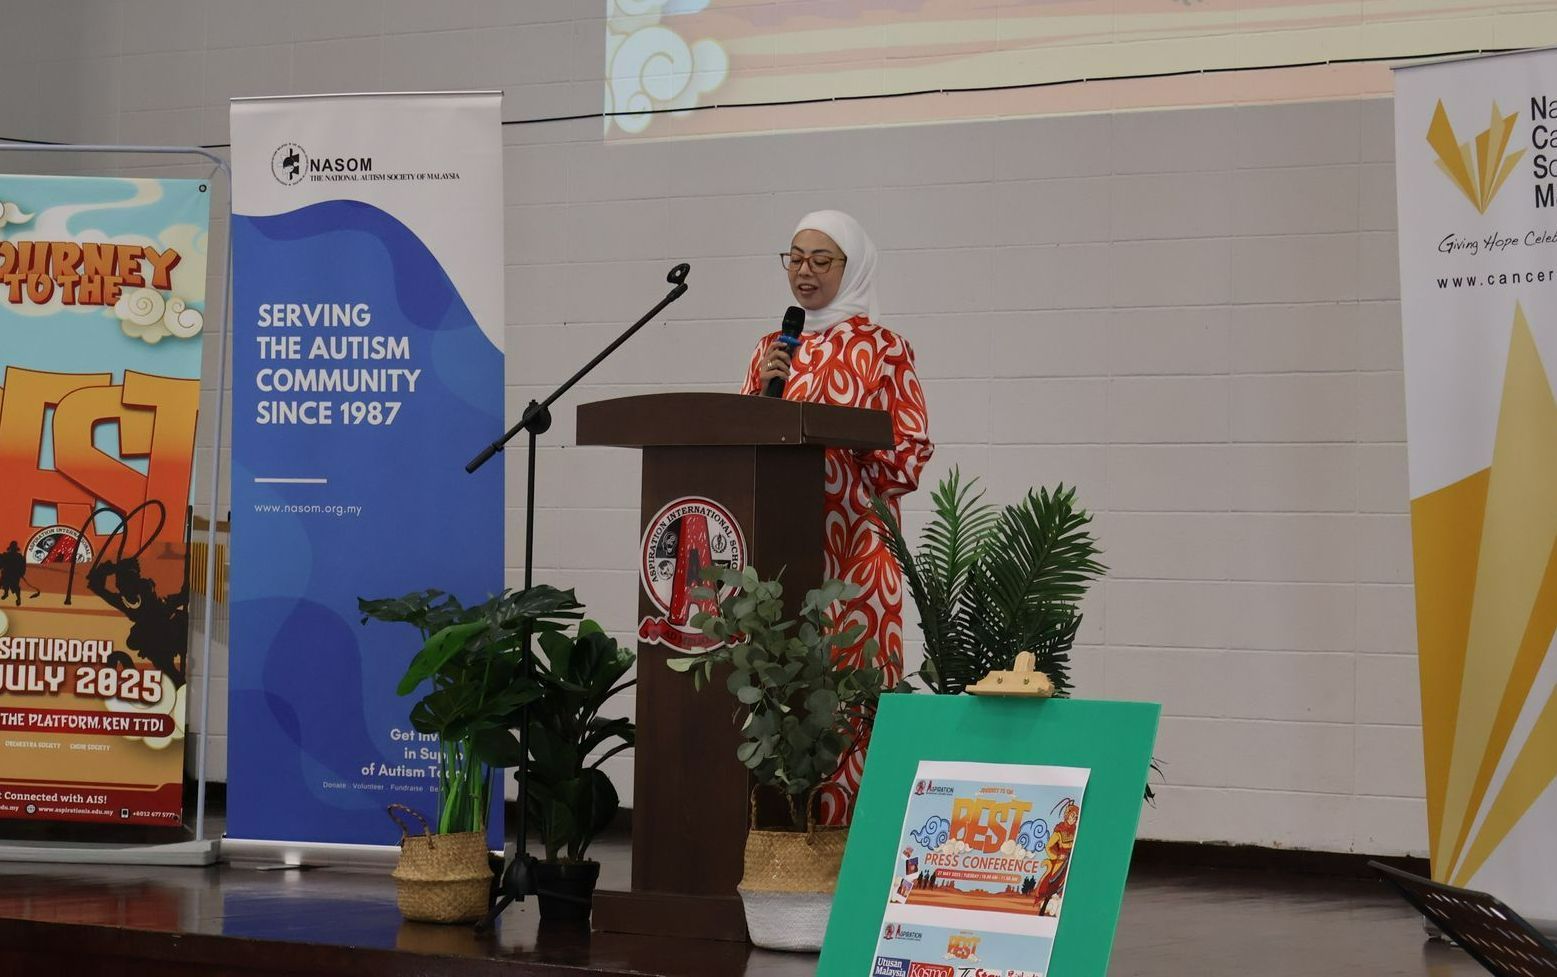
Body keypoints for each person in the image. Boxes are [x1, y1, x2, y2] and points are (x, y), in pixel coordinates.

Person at [740, 210, 934, 825]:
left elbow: (909, 454)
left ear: (853, 267)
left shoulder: (884, 349)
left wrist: (846, 439)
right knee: (783, 695)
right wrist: (762, 396)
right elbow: (740, 446)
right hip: (781, 554)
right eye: (795, 258)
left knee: (852, 699)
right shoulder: (771, 350)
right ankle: (783, 844)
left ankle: (857, 840)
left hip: (857, 555)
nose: (805, 271)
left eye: (821, 260)